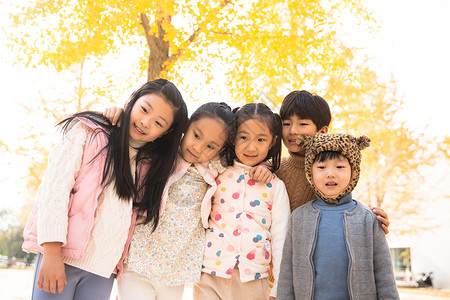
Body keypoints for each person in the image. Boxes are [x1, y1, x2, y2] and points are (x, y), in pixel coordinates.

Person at [22, 79, 188, 300]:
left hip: (103, 271)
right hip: (61, 257)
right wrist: (51, 251)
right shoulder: (89, 131)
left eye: (159, 123)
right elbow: (54, 189)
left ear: (165, 133)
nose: (146, 122)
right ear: (133, 101)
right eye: (144, 109)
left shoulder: (151, 165)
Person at [277, 133, 399, 300]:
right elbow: (287, 273)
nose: (330, 174)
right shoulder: (299, 217)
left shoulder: (368, 219)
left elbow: (384, 275)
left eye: (340, 167)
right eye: (321, 167)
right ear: (310, 172)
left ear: (354, 172)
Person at [194, 103, 291, 300]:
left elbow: (282, 237)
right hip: (209, 274)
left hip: (253, 280)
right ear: (232, 137)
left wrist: (279, 287)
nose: (251, 146)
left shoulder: (275, 186)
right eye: (243, 137)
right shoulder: (215, 171)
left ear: (272, 141)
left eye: (261, 139)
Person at [276, 90, 390, 233]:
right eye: (286, 123)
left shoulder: (333, 169)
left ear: (322, 132)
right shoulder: (274, 167)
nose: (293, 130)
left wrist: (371, 222)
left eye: (303, 124)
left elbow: (345, 207)